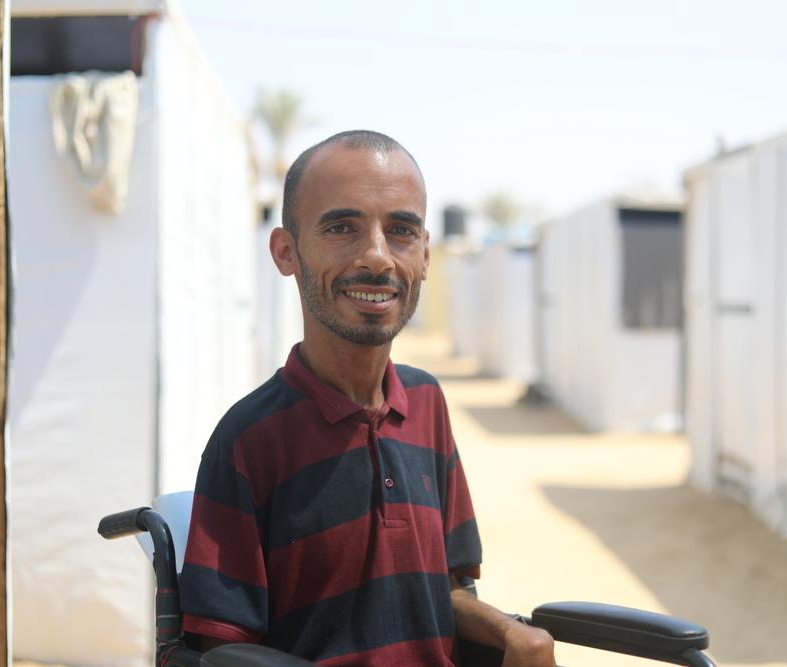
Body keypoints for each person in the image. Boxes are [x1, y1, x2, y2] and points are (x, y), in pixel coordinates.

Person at [179, 130, 555, 667]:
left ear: (425, 255)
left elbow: (443, 593)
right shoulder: (248, 440)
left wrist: (516, 634)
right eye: (341, 227)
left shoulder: (426, 402)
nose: (378, 258)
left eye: (401, 230)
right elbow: (222, 651)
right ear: (287, 252)